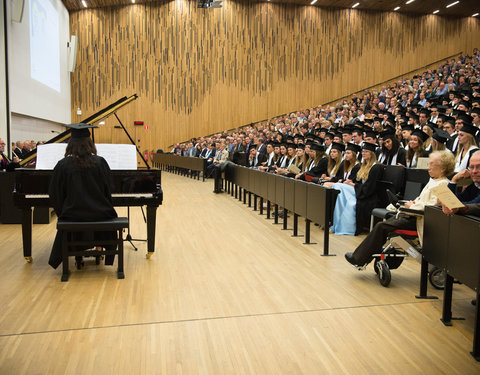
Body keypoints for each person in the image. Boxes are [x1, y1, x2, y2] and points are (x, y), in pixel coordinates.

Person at [345, 151, 455, 267]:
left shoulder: (443, 184)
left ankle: (359, 258)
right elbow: (422, 200)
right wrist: (414, 202)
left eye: (432, 164)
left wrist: (412, 206)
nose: (428, 167)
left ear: (442, 168)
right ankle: (363, 258)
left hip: (421, 220)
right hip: (414, 215)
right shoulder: (434, 181)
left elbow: (432, 206)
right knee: (383, 225)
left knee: (381, 227)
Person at [48, 123, 118, 270]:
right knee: (108, 214)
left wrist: (64, 213)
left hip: (72, 215)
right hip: (100, 214)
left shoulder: (62, 165)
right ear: (90, 143)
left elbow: (55, 194)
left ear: (70, 144)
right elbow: (109, 190)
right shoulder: (100, 162)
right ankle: (100, 245)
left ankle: (76, 247)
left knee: (67, 217)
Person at [330, 142, 384, 235]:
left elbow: (370, 188)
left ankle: (346, 227)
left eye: (366, 152)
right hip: (361, 191)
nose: (363, 154)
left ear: (372, 153)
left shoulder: (376, 167)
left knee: (342, 191)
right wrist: (351, 183)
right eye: (362, 152)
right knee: (337, 186)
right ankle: (336, 224)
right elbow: (358, 182)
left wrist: (353, 185)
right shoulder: (364, 166)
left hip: (369, 196)